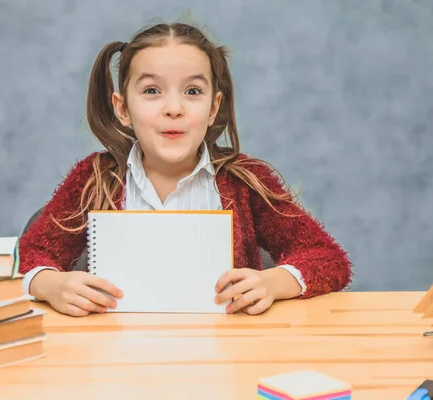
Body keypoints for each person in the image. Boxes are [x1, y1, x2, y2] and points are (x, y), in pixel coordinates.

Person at [18, 22, 352, 317]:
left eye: (192, 91)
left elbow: (326, 257)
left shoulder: (245, 181)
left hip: (230, 360)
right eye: (152, 91)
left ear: (213, 108)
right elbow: (33, 253)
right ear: (122, 109)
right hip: (114, 361)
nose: (173, 109)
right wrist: (49, 284)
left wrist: (273, 281)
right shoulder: (94, 179)